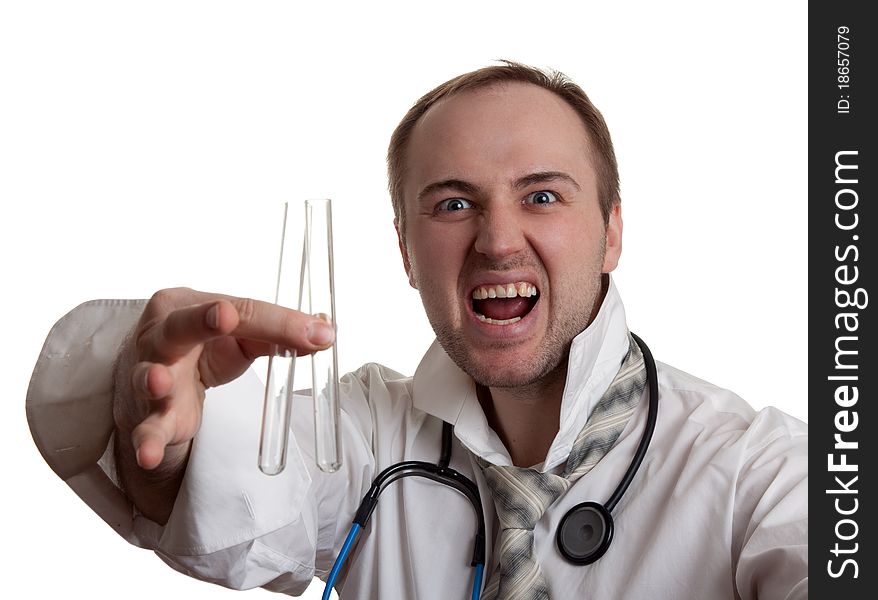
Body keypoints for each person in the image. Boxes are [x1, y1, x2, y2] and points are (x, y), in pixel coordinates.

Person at [27, 62, 807, 599]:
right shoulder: (368, 435)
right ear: (405, 250)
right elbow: (243, 503)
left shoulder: (756, 470)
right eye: (453, 204)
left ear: (611, 233)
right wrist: (168, 439)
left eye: (541, 197)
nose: (498, 241)